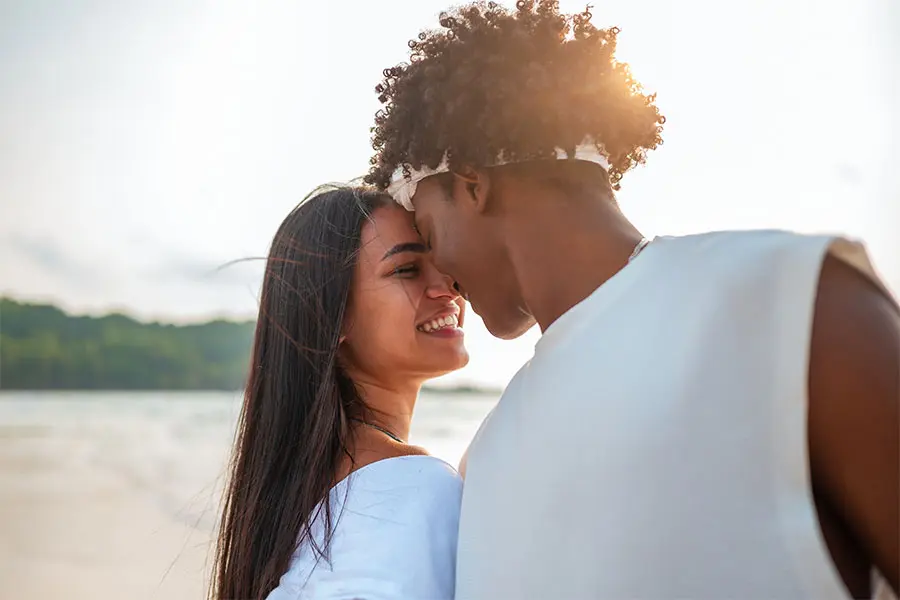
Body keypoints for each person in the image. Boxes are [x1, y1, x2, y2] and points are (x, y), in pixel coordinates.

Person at [364, 2, 899, 599]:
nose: (443, 275)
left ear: (472, 185)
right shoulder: (484, 460)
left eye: (432, 237)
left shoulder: (793, 304)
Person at [209, 186, 469, 600]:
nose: (449, 286)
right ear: (333, 316)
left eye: (441, 260)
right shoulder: (411, 488)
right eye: (406, 269)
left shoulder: (307, 494)